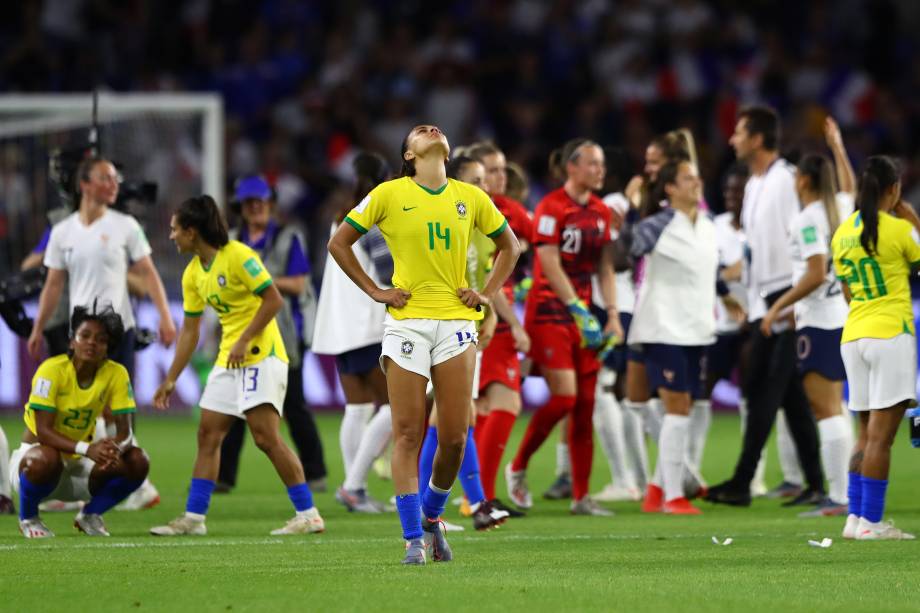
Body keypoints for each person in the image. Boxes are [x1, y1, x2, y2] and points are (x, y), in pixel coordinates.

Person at [328, 125, 520, 564]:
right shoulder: (388, 194)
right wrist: (377, 291)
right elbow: (340, 243)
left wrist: (487, 293)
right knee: (408, 432)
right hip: (407, 324)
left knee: (453, 438)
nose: (430, 130)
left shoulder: (471, 197)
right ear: (410, 153)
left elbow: (510, 247)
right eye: (419, 132)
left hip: (456, 323)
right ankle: (413, 536)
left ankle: (432, 518)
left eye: (434, 129)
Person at [150, 195, 324, 536]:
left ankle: (309, 514)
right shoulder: (192, 275)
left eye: (175, 230)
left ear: (192, 231)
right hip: (229, 358)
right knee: (208, 433)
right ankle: (194, 518)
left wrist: (244, 340)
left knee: (265, 437)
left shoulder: (239, 256)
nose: (171, 236)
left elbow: (273, 298)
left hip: (262, 352)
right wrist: (171, 377)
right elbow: (190, 329)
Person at [25, 156, 175, 511]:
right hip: (80, 332)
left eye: (115, 178)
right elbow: (53, 283)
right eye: (106, 178)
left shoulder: (126, 226)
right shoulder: (63, 232)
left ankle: (133, 481)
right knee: (75, 405)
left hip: (117, 330)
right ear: (85, 184)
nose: (114, 184)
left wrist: (166, 317)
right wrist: (38, 325)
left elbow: (149, 272)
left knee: (115, 408)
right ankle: (73, 477)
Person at [707, 106, 826, 507]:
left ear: (757, 139)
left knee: (762, 390)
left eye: (739, 133)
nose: (732, 139)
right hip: (765, 301)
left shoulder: (787, 180)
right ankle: (815, 483)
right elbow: (755, 251)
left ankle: (742, 482)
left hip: (788, 299)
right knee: (787, 396)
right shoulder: (756, 183)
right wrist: (730, 279)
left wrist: (794, 303)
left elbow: (807, 241)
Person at [504, 138, 622, 516]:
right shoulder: (551, 207)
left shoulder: (602, 212)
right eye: (592, 163)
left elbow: (604, 267)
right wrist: (575, 307)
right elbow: (549, 263)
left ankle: (581, 497)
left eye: (601, 163)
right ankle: (518, 466)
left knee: (585, 405)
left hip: (584, 315)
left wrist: (614, 315)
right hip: (550, 310)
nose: (599, 170)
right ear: (572, 167)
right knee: (565, 398)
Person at [761, 119, 857, 517]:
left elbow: (815, 273)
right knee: (840, 408)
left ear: (802, 181)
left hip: (819, 322)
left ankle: (838, 497)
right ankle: (846, 493)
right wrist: (838, 146)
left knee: (827, 410)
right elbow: (849, 187)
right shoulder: (843, 209)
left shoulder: (806, 220)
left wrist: (777, 306)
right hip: (846, 317)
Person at [627, 160, 733, 515]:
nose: (696, 182)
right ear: (670, 188)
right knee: (676, 409)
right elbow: (630, 245)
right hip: (663, 327)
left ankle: (657, 490)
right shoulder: (658, 224)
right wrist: (627, 214)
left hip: (697, 328)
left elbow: (709, 269)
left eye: (697, 176)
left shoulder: (706, 224)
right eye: (687, 178)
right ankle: (674, 496)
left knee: (682, 409)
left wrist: (727, 296)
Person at [414, 153, 512, 531]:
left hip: (468, 327)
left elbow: (482, 279)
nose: (484, 188)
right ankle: (472, 502)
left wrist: (490, 316)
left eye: (486, 180)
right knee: (449, 419)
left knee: (452, 420)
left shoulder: (483, 231)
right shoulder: (446, 224)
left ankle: (459, 503)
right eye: (477, 180)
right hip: (440, 325)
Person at [215, 175, 327, 494]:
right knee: (234, 406)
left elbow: (299, 284)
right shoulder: (231, 240)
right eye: (250, 203)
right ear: (241, 207)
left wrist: (259, 281)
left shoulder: (288, 236)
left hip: (284, 334)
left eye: (260, 202)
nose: (255, 208)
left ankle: (315, 473)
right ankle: (223, 476)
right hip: (240, 333)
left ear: (270, 204)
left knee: (294, 406)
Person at [833, 156, 920, 541]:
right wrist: (912, 216)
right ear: (894, 189)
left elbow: (848, 292)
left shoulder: (841, 234)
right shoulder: (898, 229)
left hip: (854, 336)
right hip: (891, 335)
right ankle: (870, 522)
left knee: (865, 434)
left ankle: (855, 519)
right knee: (882, 439)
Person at [12, 304, 150, 538]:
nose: (92, 343)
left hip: (79, 466)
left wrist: (114, 450)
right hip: (36, 465)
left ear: (108, 347)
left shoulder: (116, 373)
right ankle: (29, 517)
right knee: (46, 456)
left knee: (138, 460)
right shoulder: (51, 371)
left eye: (101, 339)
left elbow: (125, 433)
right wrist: (89, 449)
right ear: (72, 341)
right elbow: (44, 432)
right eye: (85, 336)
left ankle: (90, 515)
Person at [314, 151, 394, 513]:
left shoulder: (340, 216)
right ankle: (353, 485)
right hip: (369, 324)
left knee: (357, 408)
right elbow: (387, 272)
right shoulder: (373, 218)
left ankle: (354, 488)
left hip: (339, 326)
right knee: (398, 405)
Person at [465, 141, 532, 515]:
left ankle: (477, 496)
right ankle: (477, 496)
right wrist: (514, 321)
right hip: (485, 319)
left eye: (502, 170)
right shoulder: (478, 216)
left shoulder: (506, 213)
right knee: (496, 404)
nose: (498, 178)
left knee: (482, 407)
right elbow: (493, 279)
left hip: (489, 317)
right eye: (490, 171)